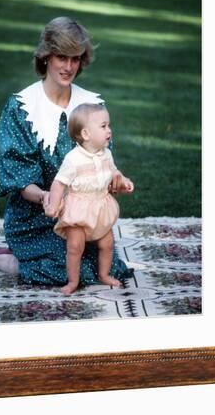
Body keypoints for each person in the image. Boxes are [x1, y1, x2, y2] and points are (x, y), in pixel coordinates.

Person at [0, 16, 134, 287]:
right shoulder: (21, 108)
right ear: (46, 57)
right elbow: (19, 177)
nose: (69, 66)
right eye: (62, 57)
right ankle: (4, 259)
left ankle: (32, 261)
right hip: (35, 217)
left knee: (110, 268)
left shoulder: (91, 105)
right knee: (65, 271)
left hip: (83, 216)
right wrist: (47, 198)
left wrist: (113, 181)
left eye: (75, 58)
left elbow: (102, 162)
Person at [44, 103, 134, 294]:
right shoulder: (73, 159)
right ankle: (73, 281)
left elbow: (114, 172)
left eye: (109, 125)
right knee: (75, 246)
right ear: (86, 134)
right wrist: (53, 204)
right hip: (78, 209)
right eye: (103, 126)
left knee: (107, 243)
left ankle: (104, 274)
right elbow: (59, 183)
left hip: (100, 206)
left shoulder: (106, 154)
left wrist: (123, 180)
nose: (109, 130)